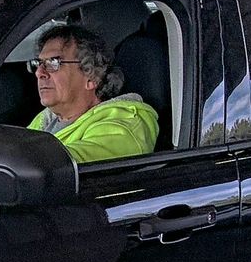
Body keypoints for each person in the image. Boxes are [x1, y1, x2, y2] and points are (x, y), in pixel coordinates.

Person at [26, 24, 158, 164]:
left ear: (92, 77)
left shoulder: (124, 125)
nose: (39, 72)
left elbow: (65, 165)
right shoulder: (45, 118)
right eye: (39, 63)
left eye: (53, 62)